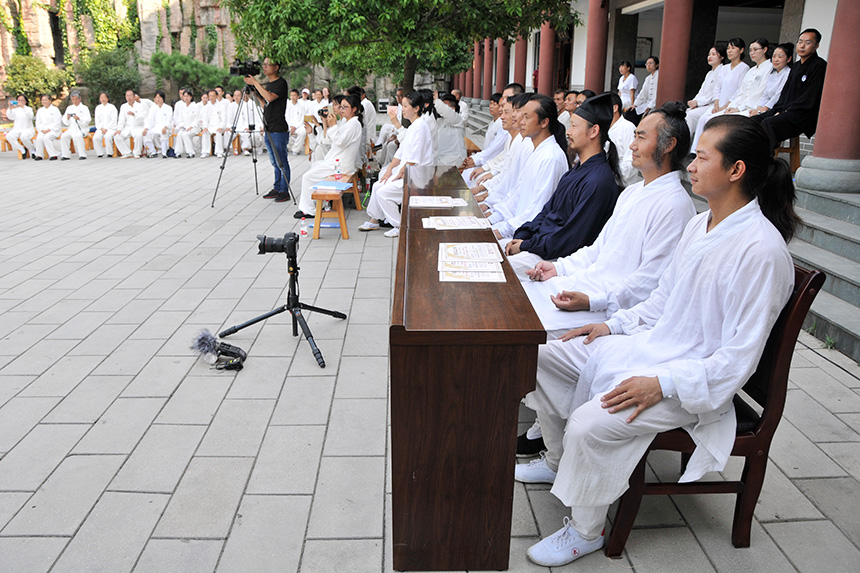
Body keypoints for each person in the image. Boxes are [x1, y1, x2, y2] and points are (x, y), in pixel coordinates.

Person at [520, 114, 797, 568]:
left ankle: (587, 530)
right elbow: (663, 300)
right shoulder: (700, 224)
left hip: (693, 382)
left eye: (702, 157)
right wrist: (612, 326)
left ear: (736, 170)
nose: (691, 164)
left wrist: (662, 384)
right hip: (656, 346)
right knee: (545, 353)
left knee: (593, 420)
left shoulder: (761, 251)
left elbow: (736, 360)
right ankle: (558, 458)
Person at [514, 103, 696, 457]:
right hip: (590, 289)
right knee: (521, 300)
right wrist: (560, 269)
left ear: (668, 145)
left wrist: (592, 302)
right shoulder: (632, 193)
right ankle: (547, 420)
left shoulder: (675, 205)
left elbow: (648, 285)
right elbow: (599, 251)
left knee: (532, 337)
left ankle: (554, 452)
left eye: (641, 136)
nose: (630, 143)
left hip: (611, 307)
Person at [504, 93, 621, 276]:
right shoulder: (578, 170)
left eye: (574, 126)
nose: (568, 132)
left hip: (555, 258)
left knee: (501, 270)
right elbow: (546, 211)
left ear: (594, 131)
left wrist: (527, 244)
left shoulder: (598, 181)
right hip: (541, 245)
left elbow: (571, 237)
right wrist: (523, 235)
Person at [485, 95, 569, 241]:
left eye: (526, 117)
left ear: (544, 122)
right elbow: (517, 193)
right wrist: (493, 218)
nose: (521, 122)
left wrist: (502, 231)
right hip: (516, 224)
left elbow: (538, 209)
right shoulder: (536, 151)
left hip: (528, 235)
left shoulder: (551, 157)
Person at [358, 90, 436, 238]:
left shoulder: (421, 127)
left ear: (416, 108)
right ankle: (374, 220)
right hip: (407, 171)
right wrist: (389, 171)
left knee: (384, 193)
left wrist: (398, 175)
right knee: (378, 184)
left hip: (416, 176)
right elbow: (400, 154)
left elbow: (414, 159)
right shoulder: (414, 125)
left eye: (406, 106)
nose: (403, 109)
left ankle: (400, 225)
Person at [690, 38, 773, 151]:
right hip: (737, 106)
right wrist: (731, 106)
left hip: (752, 108)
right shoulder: (752, 70)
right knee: (704, 118)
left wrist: (736, 107)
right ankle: (696, 150)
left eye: (755, 49)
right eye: (751, 50)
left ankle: (715, 151)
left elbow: (759, 93)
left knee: (718, 121)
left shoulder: (767, 68)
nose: (752, 53)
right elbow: (741, 92)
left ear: (765, 50)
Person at [752, 29, 827, 151]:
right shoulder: (796, 66)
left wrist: (786, 111)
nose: (802, 46)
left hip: (801, 115)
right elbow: (785, 93)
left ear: (816, 45)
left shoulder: (820, 65)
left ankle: (767, 161)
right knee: (754, 121)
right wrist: (778, 109)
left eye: (808, 43)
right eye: (800, 42)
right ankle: (751, 154)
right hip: (786, 110)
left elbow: (810, 97)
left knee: (768, 124)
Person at [295, 94, 364, 218]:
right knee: (314, 167)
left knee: (308, 176)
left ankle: (309, 210)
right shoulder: (347, 122)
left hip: (341, 164)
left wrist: (332, 125)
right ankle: (315, 205)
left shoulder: (354, 124)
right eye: (341, 107)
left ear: (354, 109)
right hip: (337, 161)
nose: (341, 110)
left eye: (345, 107)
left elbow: (339, 141)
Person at [244, 58, 290, 201]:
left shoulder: (280, 83)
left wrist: (255, 83)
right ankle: (277, 187)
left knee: (281, 161)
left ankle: (284, 190)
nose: (264, 67)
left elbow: (270, 97)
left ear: (276, 67)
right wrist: (256, 94)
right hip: (269, 127)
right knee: (274, 162)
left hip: (278, 128)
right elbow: (265, 104)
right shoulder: (269, 85)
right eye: (263, 64)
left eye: (267, 64)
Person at [685, 46, 727, 137]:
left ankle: (687, 143)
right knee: (687, 112)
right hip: (702, 104)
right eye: (709, 54)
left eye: (713, 54)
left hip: (712, 105)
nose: (710, 57)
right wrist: (694, 101)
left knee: (691, 116)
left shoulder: (722, 71)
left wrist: (697, 102)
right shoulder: (709, 73)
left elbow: (713, 94)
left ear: (722, 57)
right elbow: (702, 91)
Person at [748, 42, 792, 118]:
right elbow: (765, 95)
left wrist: (764, 109)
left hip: (777, 108)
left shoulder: (788, 73)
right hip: (767, 107)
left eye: (780, 57)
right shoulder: (773, 73)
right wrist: (759, 108)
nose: (776, 59)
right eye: (774, 56)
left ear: (788, 59)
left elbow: (778, 95)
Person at [607, 93, 640, 187]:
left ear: (615, 108)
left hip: (622, 184)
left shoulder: (628, 127)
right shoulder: (603, 127)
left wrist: (612, 174)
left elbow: (631, 160)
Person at [434, 92, 467, 166]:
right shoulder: (440, 121)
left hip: (455, 160)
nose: (442, 108)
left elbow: (447, 112)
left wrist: (436, 101)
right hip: (441, 159)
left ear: (453, 108)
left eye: (445, 105)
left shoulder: (458, 119)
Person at [624, 58, 658, 125]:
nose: (648, 65)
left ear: (657, 65)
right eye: (647, 64)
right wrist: (635, 104)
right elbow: (643, 93)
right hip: (646, 104)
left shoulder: (659, 76)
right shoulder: (648, 78)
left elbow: (657, 94)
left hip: (654, 104)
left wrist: (650, 106)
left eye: (651, 63)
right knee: (630, 112)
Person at [113, 90, 145, 158]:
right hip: (127, 127)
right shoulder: (123, 106)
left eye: (130, 96)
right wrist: (119, 129)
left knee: (139, 135)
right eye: (127, 96)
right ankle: (127, 152)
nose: (129, 97)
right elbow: (121, 119)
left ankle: (137, 152)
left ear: (134, 97)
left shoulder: (140, 106)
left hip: (137, 126)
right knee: (117, 136)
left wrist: (134, 114)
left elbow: (143, 117)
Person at [60, 90, 91, 160]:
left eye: (76, 99)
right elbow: (65, 122)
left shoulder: (84, 108)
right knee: (64, 136)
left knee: (78, 136)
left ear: (80, 99)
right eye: (73, 99)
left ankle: (82, 154)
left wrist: (79, 119)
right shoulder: (69, 108)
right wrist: (67, 118)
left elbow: (88, 120)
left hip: (81, 128)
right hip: (71, 129)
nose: (74, 101)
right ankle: (65, 155)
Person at [142, 90, 173, 158]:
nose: (158, 99)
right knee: (146, 134)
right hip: (155, 127)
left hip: (165, 127)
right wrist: (146, 128)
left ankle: (164, 153)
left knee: (164, 133)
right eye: (156, 97)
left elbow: (169, 120)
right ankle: (153, 152)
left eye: (159, 97)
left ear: (163, 98)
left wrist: (165, 127)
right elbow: (150, 120)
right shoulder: (153, 108)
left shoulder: (168, 108)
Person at [4, 94, 36, 159]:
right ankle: (22, 149)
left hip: (27, 129)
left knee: (23, 137)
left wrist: (23, 107)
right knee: (8, 136)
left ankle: (32, 149)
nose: (20, 101)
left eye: (22, 100)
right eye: (19, 100)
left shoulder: (28, 109)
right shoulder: (16, 110)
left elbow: (30, 116)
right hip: (17, 129)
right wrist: (10, 108)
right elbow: (11, 117)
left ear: (25, 101)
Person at [173, 88, 200, 158]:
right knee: (179, 134)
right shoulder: (182, 107)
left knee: (186, 135)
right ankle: (178, 152)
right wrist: (182, 126)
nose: (186, 98)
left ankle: (190, 152)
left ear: (191, 97)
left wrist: (191, 126)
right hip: (185, 127)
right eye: (184, 96)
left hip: (194, 127)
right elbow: (180, 119)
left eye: (187, 96)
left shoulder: (195, 106)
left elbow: (197, 119)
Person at [34, 94, 62, 160]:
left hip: (53, 130)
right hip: (43, 130)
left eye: (46, 100)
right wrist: (41, 129)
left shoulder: (55, 110)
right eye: (43, 100)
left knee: (47, 137)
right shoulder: (40, 110)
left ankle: (53, 155)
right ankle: (39, 155)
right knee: (39, 138)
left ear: (50, 101)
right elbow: (38, 122)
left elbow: (57, 122)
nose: (44, 102)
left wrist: (49, 129)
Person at [92, 92, 118, 158]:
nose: (103, 99)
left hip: (110, 128)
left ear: (108, 98)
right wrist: (101, 128)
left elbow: (113, 119)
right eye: (101, 97)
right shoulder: (98, 108)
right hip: (101, 128)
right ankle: (99, 153)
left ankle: (109, 152)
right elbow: (97, 120)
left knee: (108, 136)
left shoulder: (112, 107)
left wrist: (106, 128)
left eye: (104, 97)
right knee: (96, 137)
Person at [286, 89, 306, 155]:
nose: (293, 97)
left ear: (298, 96)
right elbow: (286, 117)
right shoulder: (287, 106)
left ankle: (296, 149)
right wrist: (290, 126)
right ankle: (289, 146)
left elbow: (302, 119)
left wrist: (295, 126)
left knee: (303, 131)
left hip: (299, 126)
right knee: (283, 131)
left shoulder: (301, 106)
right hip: (289, 125)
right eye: (291, 95)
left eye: (294, 95)